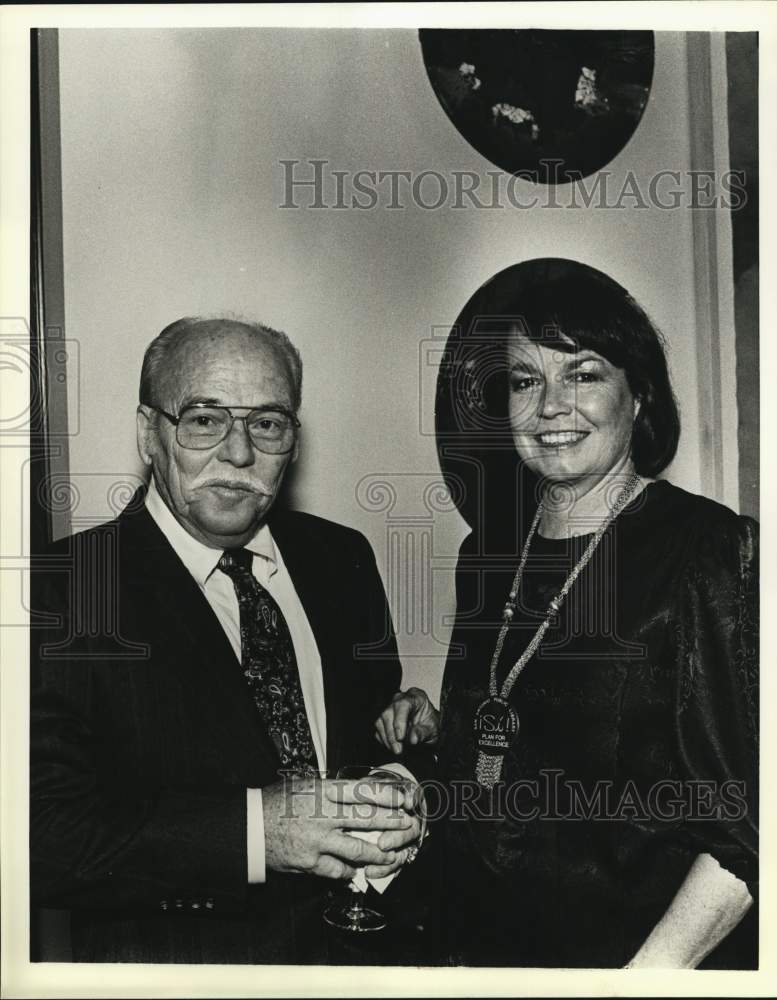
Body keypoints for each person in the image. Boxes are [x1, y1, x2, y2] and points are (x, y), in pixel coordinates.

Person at [377, 259, 758, 968]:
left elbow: (748, 820)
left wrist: (641, 983)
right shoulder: (486, 553)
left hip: (644, 961)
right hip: (488, 955)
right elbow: (504, 745)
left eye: (582, 374)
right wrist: (434, 742)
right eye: (525, 380)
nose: (550, 405)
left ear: (638, 396)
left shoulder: (709, 551)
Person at [30, 317, 423, 964]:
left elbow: (365, 742)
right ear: (148, 434)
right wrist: (254, 834)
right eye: (204, 419)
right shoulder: (61, 593)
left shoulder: (340, 559)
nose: (239, 453)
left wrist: (404, 769)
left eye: (267, 422)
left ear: (292, 441)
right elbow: (37, 839)